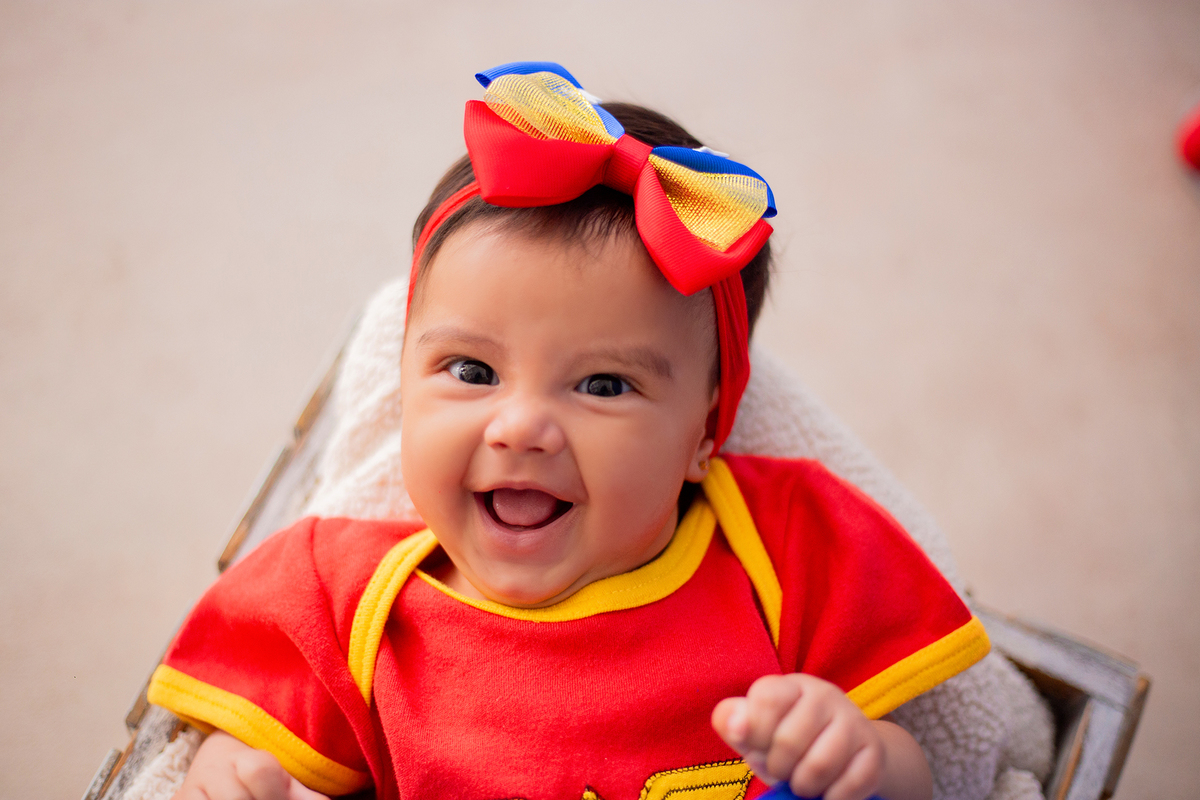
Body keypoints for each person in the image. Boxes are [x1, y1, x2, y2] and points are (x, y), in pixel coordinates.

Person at [149, 63, 991, 800]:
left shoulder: (785, 548)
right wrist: (232, 772)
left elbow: (928, 775)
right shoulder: (349, 605)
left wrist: (858, 759)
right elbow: (249, 749)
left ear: (705, 433)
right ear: (400, 381)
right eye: (471, 371)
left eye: (603, 384)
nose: (521, 427)